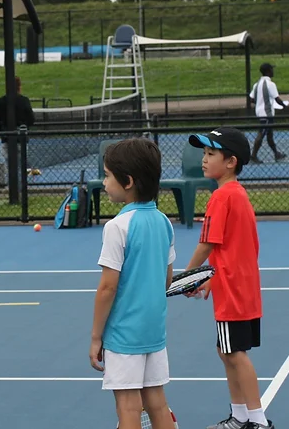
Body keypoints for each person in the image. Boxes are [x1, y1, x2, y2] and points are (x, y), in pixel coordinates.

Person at [184, 127, 271, 429]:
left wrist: (186, 277)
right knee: (228, 351)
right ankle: (240, 416)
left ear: (231, 161)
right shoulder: (238, 195)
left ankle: (257, 421)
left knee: (234, 353)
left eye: (210, 154)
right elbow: (232, 249)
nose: (204, 160)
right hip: (239, 285)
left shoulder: (221, 198)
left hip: (234, 290)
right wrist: (210, 280)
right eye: (204, 154)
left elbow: (207, 244)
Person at [89, 138, 176, 429]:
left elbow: (107, 288)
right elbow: (166, 278)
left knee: (128, 408)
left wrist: (95, 337)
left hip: (124, 334)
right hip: (154, 331)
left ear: (126, 181)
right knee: (158, 403)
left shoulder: (116, 227)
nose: (104, 182)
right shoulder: (164, 221)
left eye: (107, 175)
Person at [248, 63, 287, 164]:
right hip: (267, 113)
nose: (273, 71)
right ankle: (253, 155)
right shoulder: (270, 84)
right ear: (268, 71)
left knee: (269, 135)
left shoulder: (256, 84)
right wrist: (284, 105)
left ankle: (276, 153)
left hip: (260, 112)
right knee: (262, 133)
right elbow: (277, 99)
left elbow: (251, 99)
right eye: (271, 69)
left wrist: (260, 102)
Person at [0, 76, 34, 155]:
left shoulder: (0, 102)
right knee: (22, 161)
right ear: (19, 86)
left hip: (6, 137)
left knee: (8, 162)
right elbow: (31, 119)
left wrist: (2, 129)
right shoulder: (24, 101)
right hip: (21, 137)